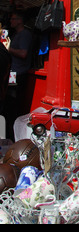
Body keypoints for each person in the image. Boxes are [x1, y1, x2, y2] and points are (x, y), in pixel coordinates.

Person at [6, 12, 33, 140]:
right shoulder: (17, 35)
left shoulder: (25, 35)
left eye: (13, 18)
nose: (11, 20)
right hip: (13, 73)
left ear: (20, 20)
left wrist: (8, 48)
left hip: (19, 74)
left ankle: (13, 136)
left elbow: (23, 53)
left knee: (14, 105)